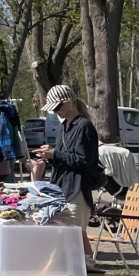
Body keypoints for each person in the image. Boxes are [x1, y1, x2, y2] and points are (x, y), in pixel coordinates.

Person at [36, 84, 99, 256]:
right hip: (63, 188)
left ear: (70, 102)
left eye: (57, 107)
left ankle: (88, 271)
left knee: (77, 234)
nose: (55, 111)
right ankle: (81, 270)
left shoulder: (84, 126)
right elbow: (65, 155)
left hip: (77, 189)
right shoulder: (66, 126)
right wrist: (49, 154)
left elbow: (83, 160)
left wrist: (55, 154)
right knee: (71, 234)